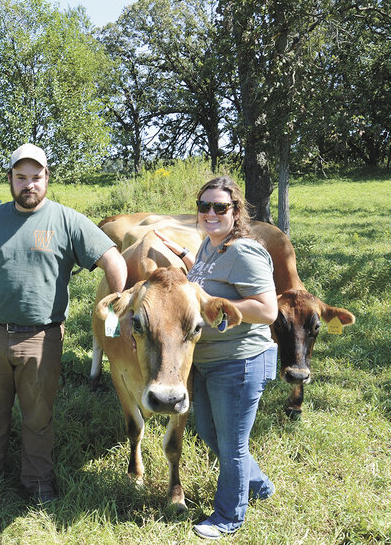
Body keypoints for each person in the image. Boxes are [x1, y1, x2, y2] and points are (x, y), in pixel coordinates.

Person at [0, 143, 128, 504]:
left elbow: (114, 260)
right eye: (21, 177)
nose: (29, 184)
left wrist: (115, 311)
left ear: (47, 178)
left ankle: (37, 482)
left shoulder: (66, 221)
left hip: (42, 338)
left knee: (38, 416)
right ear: (10, 180)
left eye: (36, 177)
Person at [159, 176, 278, 539]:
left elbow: (268, 309)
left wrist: (218, 308)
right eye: (203, 206)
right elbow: (206, 277)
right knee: (211, 434)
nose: (210, 213)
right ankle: (259, 486)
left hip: (238, 361)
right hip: (208, 361)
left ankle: (228, 516)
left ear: (236, 211)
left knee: (231, 445)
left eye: (220, 207)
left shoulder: (243, 251)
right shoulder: (212, 247)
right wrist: (182, 255)